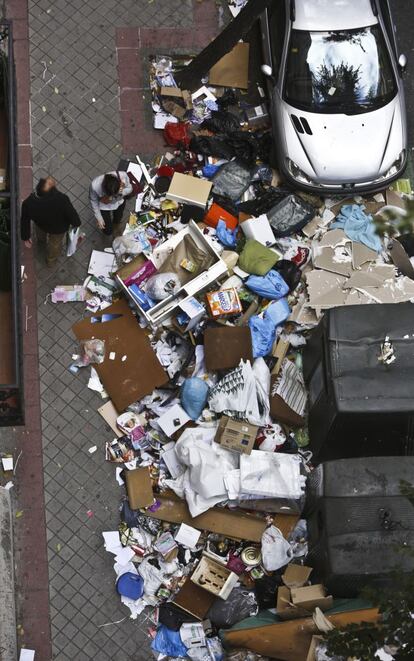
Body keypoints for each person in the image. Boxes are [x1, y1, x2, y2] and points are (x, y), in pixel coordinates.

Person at [21, 176, 81, 267]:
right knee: (54, 245)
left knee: (40, 234)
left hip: (41, 225)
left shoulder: (28, 203)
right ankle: (51, 261)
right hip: (58, 230)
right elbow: (73, 216)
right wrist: (76, 224)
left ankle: (41, 242)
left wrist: (25, 236)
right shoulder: (62, 200)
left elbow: (24, 220)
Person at [89, 171, 132, 237]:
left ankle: (116, 226)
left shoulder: (122, 175)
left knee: (118, 217)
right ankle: (109, 230)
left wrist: (121, 192)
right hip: (104, 206)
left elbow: (130, 188)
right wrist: (99, 218)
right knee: (108, 231)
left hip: (119, 202)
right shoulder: (94, 186)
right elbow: (94, 201)